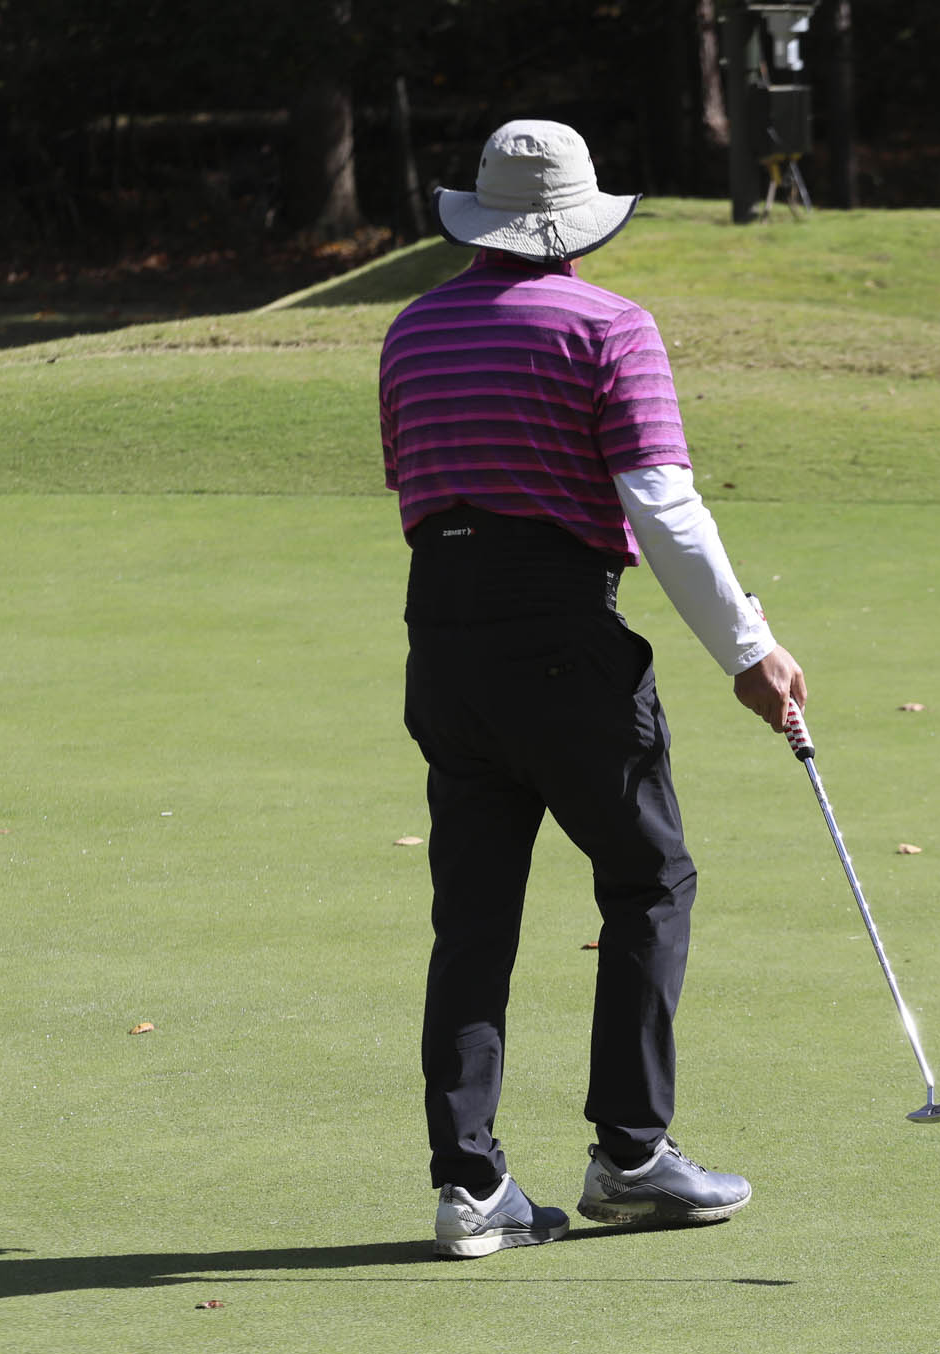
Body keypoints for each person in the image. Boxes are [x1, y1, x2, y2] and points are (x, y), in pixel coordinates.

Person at [381, 120, 807, 1259]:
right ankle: (630, 1154)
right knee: (649, 878)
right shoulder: (609, 325)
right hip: (562, 634)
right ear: (577, 226)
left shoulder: (412, 329)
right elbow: (661, 507)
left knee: (473, 918)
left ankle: (469, 1187)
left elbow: (418, 487)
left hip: (441, 638)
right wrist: (749, 649)